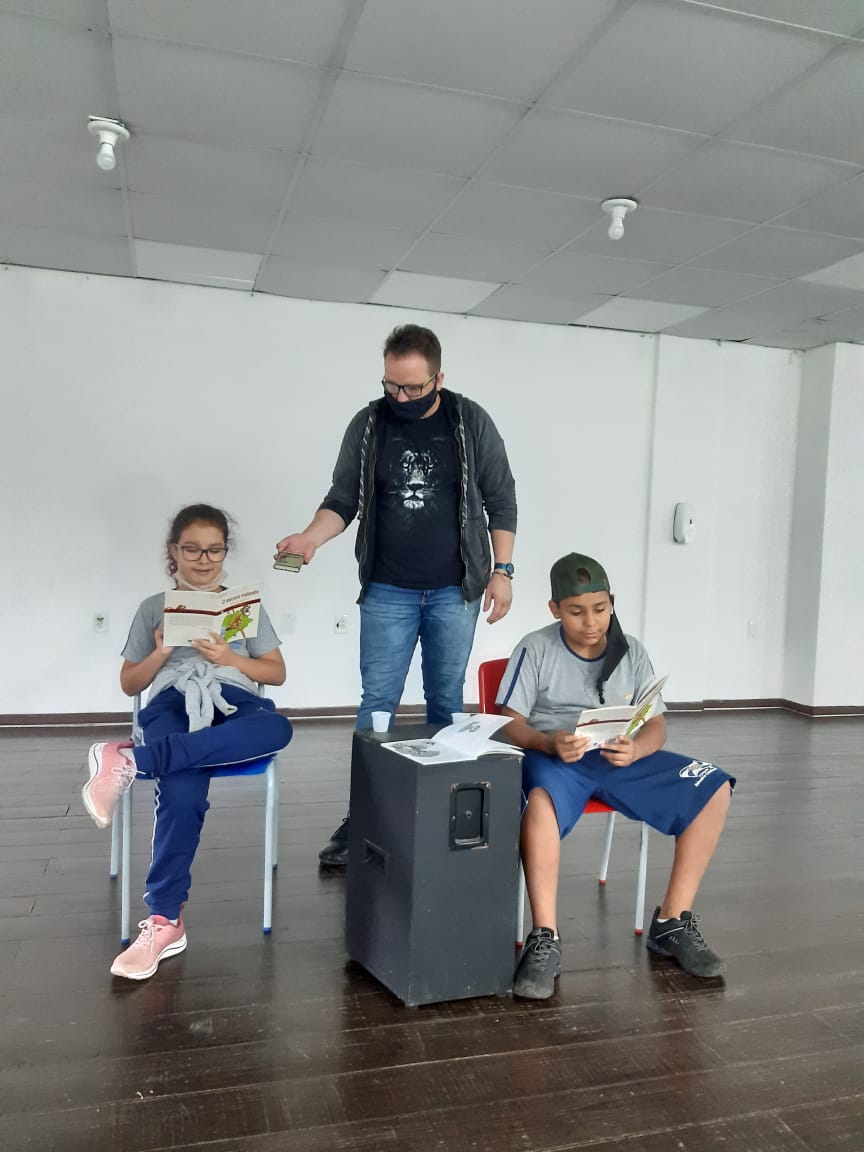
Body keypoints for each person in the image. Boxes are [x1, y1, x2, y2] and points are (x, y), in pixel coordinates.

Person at [275, 324, 517, 868]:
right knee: (377, 703)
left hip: (456, 589)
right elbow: (342, 499)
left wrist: (502, 571)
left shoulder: (470, 422)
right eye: (391, 385)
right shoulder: (369, 424)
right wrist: (310, 538)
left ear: (438, 379)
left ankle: (445, 814)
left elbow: (501, 500)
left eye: (412, 387)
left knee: (445, 702)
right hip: (387, 588)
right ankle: (366, 814)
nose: (400, 398)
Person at [497, 552, 734, 999]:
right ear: (554, 609)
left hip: (619, 756)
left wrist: (637, 749)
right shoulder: (535, 647)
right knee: (542, 803)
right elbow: (509, 722)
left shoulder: (632, 650)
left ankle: (672, 922)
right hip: (557, 758)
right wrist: (548, 742)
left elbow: (656, 725)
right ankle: (545, 936)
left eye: (600, 608)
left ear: (612, 602)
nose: (591, 622)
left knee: (713, 786)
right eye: (576, 611)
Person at [82, 504, 293, 980]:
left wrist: (229, 658)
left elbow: (276, 673)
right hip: (172, 702)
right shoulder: (152, 607)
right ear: (173, 551)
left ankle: (133, 761)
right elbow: (130, 684)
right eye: (193, 549)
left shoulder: (245, 608)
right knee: (181, 789)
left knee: (277, 727)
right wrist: (161, 651)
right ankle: (165, 921)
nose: (204, 560)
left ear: (225, 551)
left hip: (233, 699)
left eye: (214, 550)